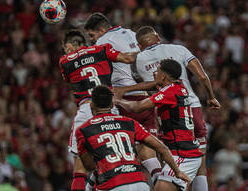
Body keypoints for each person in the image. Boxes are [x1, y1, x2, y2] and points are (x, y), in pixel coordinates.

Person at [126, 26, 221, 191]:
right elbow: (201, 76)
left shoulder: (138, 60)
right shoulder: (178, 49)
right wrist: (211, 96)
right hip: (192, 107)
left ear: (140, 45)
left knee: (170, 159)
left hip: (166, 111)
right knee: (200, 162)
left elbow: (149, 88)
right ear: (157, 38)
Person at [59, 30, 156, 191]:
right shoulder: (102, 49)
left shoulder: (64, 61)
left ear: (68, 46)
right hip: (110, 110)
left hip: (87, 109)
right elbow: (128, 58)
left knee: (80, 168)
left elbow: (72, 83)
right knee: (119, 160)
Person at [84, 13, 162, 184]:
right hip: (146, 96)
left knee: (113, 151)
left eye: (92, 35)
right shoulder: (132, 33)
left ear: (102, 30)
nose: (91, 40)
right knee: (148, 153)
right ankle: (160, 182)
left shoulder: (102, 42)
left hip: (124, 99)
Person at [76, 85, 191, 190]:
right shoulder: (130, 123)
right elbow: (162, 148)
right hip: (139, 184)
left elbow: (89, 166)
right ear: (112, 105)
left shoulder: (83, 130)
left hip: (111, 185)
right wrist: (177, 171)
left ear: (91, 106)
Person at [115, 59, 204, 191]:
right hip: (181, 151)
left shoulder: (169, 92)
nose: (154, 73)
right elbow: (151, 85)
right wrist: (126, 89)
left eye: (158, 71)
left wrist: (117, 100)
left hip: (183, 154)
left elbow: (137, 107)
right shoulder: (178, 85)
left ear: (163, 76)